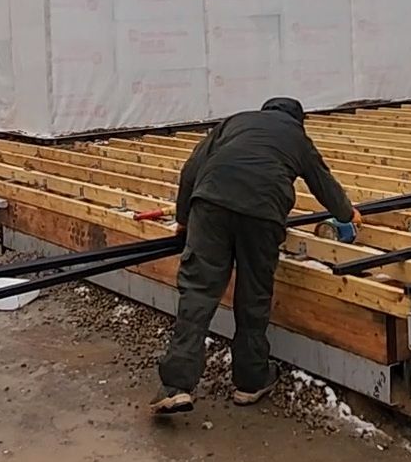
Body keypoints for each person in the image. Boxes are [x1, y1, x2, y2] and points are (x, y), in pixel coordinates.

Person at [149, 97, 360, 415]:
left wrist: (183, 219)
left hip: (211, 205)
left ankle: (175, 386)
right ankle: (250, 382)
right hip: (262, 214)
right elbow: (322, 181)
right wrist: (347, 213)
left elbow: (191, 169)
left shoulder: (234, 121)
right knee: (253, 296)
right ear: (298, 120)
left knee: (198, 292)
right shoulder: (296, 136)